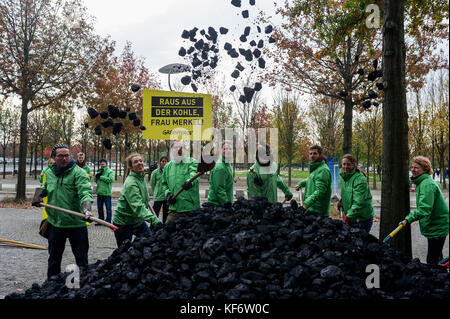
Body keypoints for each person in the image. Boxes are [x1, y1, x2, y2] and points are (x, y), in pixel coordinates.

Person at [34, 144, 93, 279]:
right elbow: (45, 187)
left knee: (82, 261)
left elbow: (85, 192)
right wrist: (38, 196)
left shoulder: (79, 172)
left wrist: (87, 209)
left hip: (76, 224)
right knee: (53, 260)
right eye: (61, 156)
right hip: (56, 223)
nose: (65, 158)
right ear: (54, 157)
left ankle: (85, 286)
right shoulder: (48, 172)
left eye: (67, 155)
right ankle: (50, 286)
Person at [399, 156, 449, 265]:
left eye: (416, 168)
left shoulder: (427, 184)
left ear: (425, 169)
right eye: (412, 167)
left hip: (437, 226)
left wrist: (408, 219)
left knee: (432, 261)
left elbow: (424, 209)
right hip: (435, 225)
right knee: (437, 256)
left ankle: (437, 280)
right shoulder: (423, 182)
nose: (413, 169)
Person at [112, 153, 162, 247]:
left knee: (150, 242)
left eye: (141, 161)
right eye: (136, 162)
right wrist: (155, 221)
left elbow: (144, 200)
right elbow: (138, 207)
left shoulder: (141, 177)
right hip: (124, 223)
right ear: (131, 167)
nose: (139, 163)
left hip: (137, 221)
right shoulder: (131, 183)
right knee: (124, 253)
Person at [161, 140, 200, 223]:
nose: (179, 149)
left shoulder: (192, 162)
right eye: (176, 147)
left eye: (181, 147)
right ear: (172, 150)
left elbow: (194, 175)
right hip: (174, 210)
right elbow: (164, 184)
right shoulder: (167, 167)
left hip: (190, 209)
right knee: (166, 233)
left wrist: (189, 182)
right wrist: (167, 194)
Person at [338, 154, 374, 233]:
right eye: (344, 164)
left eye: (348, 164)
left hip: (362, 219)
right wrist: (342, 200)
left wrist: (347, 217)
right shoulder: (344, 177)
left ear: (353, 165)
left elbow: (358, 202)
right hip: (352, 217)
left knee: (360, 243)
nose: (345, 166)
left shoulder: (359, 179)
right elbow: (347, 192)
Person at [295, 145, 332, 216]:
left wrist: (306, 204)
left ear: (320, 155)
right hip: (312, 208)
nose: (312, 156)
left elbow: (320, 191)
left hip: (319, 211)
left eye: (315, 153)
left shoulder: (323, 170)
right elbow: (311, 179)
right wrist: (301, 183)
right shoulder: (316, 168)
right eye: (310, 154)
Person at [208, 140, 234, 206]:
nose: (228, 151)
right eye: (225, 149)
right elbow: (219, 190)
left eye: (230, 149)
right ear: (221, 150)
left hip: (224, 202)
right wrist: (227, 204)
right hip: (218, 205)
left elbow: (224, 179)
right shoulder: (220, 167)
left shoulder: (227, 164)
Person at [94, 158, 114, 224]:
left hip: (107, 193)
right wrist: (96, 177)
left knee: (108, 208)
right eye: (101, 163)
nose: (102, 164)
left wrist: (101, 177)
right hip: (99, 192)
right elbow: (96, 180)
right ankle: (100, 220)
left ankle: (108, 221)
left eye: (103, 162)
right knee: (99, 208)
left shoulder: (110, 171)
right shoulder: (99, 171)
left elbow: (110, 180)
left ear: (106, 164)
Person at [150, 156, 169, 223]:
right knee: (155, 214)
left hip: (166, 196)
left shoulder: (169, 172)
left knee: (166, 214)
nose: (164, 163)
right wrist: (156, 191)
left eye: (165, 161)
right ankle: (153, 228)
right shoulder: (155, 172)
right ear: (160, 162)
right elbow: (152, 184)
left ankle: (164, 228)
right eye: (162, 161)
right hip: (158, 196)